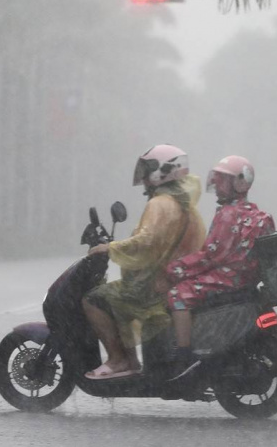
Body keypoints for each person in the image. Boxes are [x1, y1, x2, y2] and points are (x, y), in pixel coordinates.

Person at [82, 144, 206, 379]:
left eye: (148, 169)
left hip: (153, 288)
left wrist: (109, 247)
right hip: (171, 282)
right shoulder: (183, 204)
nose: (144, 176)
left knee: (94, 299)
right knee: (115, 296)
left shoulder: (160, 204)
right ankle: (130, 361)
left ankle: (120, 360)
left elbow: (145, 242)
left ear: (164, 170)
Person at [165, 155, 275, 380]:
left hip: (226, 278)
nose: (216, 186)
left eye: (223, 180)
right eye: (217, 180)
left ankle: (183, 355)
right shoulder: (253, 213)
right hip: (244, 279)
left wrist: (176, 268)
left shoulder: (227, 214)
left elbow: (211, 256)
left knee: (177, 294)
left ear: (240, 182)